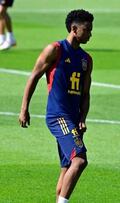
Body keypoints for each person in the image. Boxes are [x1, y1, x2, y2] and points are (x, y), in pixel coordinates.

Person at [18, 9, 94, 203]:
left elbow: (85, 94)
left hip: (73, 119)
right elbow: (34, 76)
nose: (90, 34)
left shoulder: (86, 59)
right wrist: (24, 108)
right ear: (73, 29)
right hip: (58, 116)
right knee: (80, 160)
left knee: (67, 167)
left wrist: (83, 118)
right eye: (87, 30)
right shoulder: (55, 49)